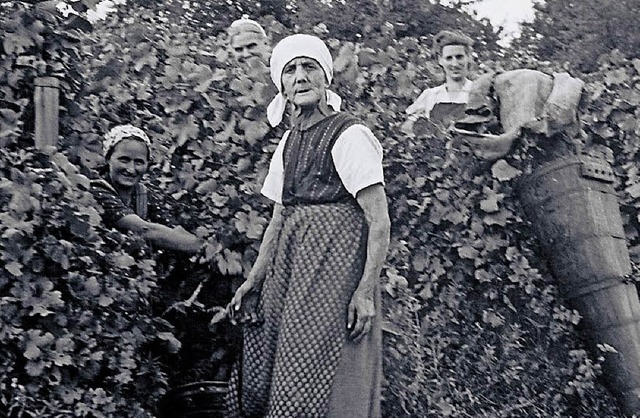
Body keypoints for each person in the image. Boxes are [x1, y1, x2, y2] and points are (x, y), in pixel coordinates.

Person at [228, 34, 390, 417]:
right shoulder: (288, 141)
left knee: (321, 360)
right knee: (270, 355)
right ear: (281, 84)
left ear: (325, 77)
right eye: (290, 70)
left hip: (335, 268)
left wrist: (364, 291)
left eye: (309, 67)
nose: (300, 77)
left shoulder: (349, 134)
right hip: (292, 266)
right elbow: (279, 216)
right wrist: (255, 278)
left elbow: (379, 221)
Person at [90, 124, 203, 252]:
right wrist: (200, 247)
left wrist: (208, 247)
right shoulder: (96, 190)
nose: (131, 169)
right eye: (124, 160)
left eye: (139, 162)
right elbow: (145, 230)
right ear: (108, 158)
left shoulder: (143, 193)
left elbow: (174, 229)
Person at [406, 30, 475, 126]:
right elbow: (408, 128)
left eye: (459, 57)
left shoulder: (477, 92)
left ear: (468, 58)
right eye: (449, 58)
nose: (454, 64)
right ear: (440, 60)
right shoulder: (430, 95)